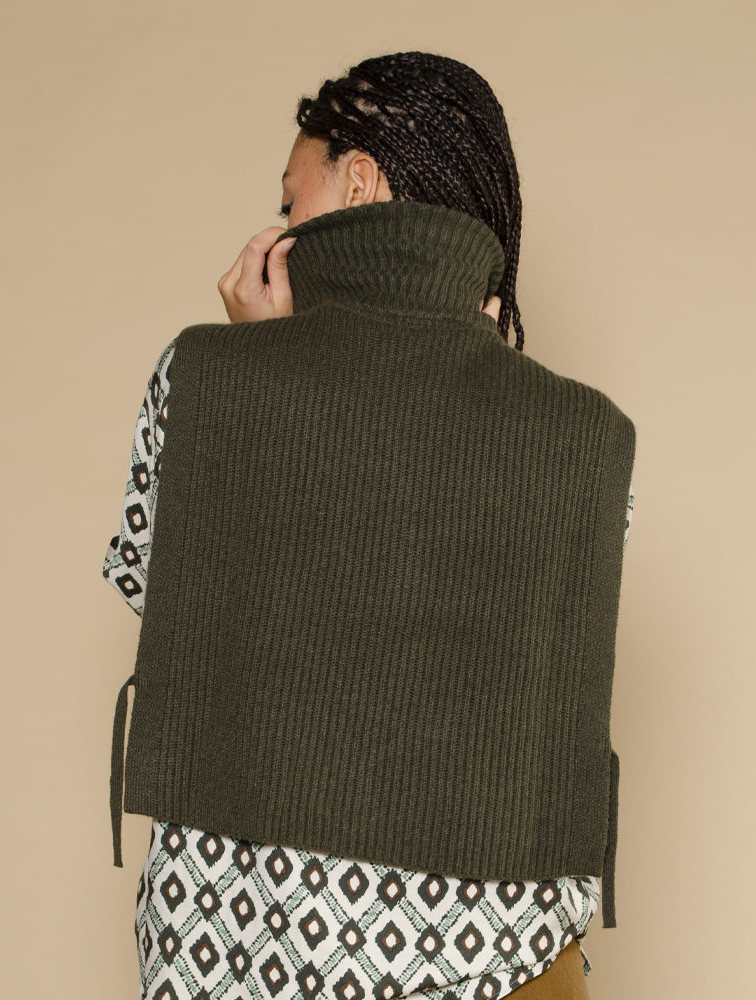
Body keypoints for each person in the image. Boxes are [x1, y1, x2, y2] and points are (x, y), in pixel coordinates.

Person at [104, 51, 635, 999]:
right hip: (503, 968)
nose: (281, 226)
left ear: (359, 182)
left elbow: (180, 604)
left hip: (236, 951)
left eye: (290, 197)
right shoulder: (587, 435)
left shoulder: (204, 378)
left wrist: (263, 357)